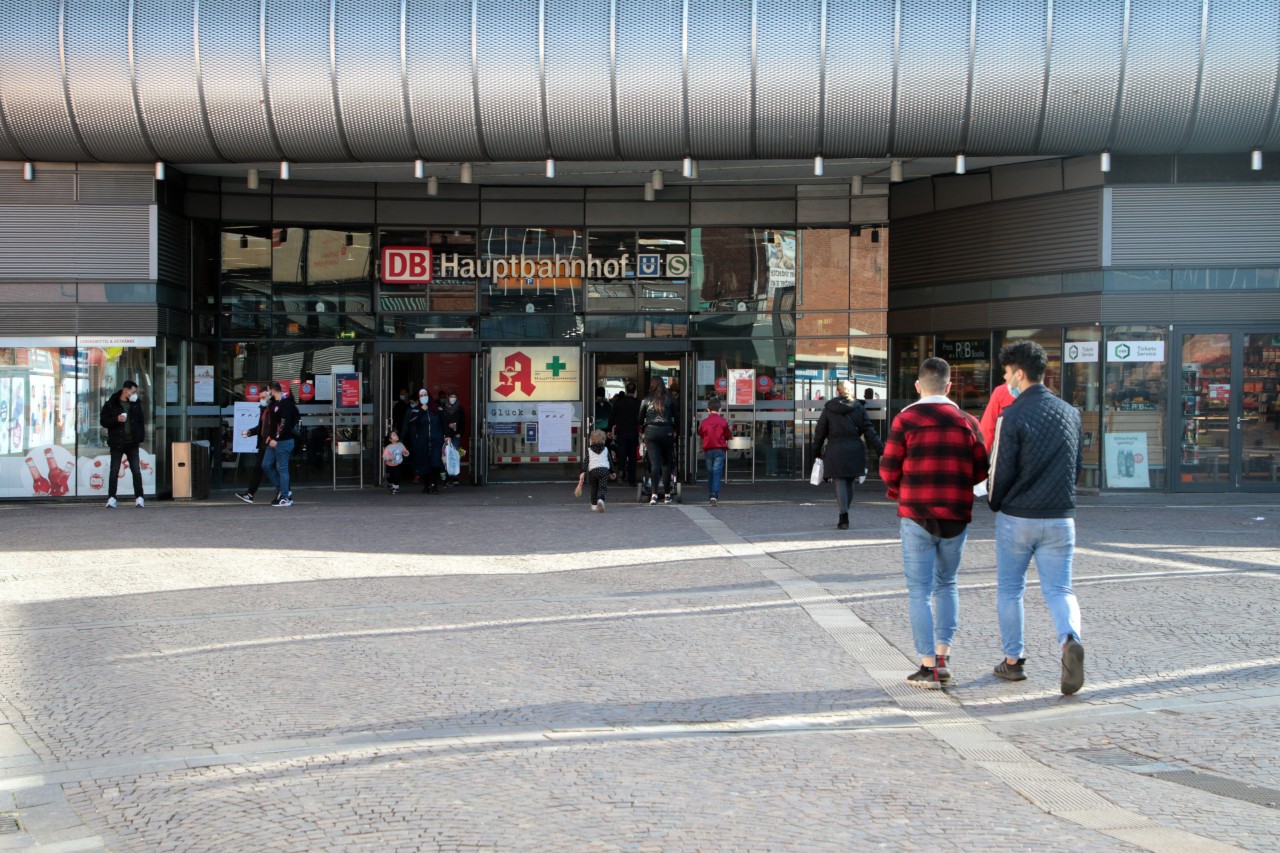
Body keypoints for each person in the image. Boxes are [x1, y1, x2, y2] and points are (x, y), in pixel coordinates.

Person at [879, 358, 989, 688]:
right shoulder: (967, 421)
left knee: (919, 591)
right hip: (956, 513)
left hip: (917, 514)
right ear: (949, 386)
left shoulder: (906, 419)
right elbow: (981, 470)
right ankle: (944, 655)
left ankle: (928, 666)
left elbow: (887, 468)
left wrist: (902, 489)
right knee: (948, 584)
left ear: (918, 386)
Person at [987, 340, 1086, 696]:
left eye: (1007, 373)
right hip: (1061, 517)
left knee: (1011, 589)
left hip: (1018, 517)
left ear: (1020, 373)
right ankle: (1070, 639)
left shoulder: (1011, 415)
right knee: (1061, 589)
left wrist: (995, 502)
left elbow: (1000, 469)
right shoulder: (1070, 413)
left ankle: (1013, 661)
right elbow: (1075, 468)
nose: (1006, 380)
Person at [811, 379, 884, 529]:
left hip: (835, 448)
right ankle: (846, 510)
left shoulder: (829, 408)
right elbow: (870, 431)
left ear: (837, 392)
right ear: (852, 392)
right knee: (850, 480)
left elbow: (820, 432)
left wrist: (816, 451)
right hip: (855, 447)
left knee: (839, 480)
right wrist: (880, 450)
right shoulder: (859, 408)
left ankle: (843, 514)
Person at [100, 379, 145, 508]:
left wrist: (140, 437)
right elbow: (103, 421)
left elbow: (141, 420)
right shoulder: (111, 403)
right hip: (117, 442)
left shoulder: (136, 403)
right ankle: (112, 498)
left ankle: (139, 497)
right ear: (126, 390)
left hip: (132, 443)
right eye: (133, 391)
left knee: (136, 470)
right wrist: (116, 419)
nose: (135, 394)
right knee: (114, 470)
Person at [639, 377, 679, 505]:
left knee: (655, 464)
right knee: (666, 464)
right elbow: (677, 419)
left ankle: (654, 495)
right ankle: (667, 495)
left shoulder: (646, 399)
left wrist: (643, 429)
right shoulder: (670, 400)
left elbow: (639, 419)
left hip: (651, 432)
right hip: (667, 431)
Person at [261, 381, 299, 507]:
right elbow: (273, 423)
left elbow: (284, 423)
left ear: (271, 390)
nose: (267, 394)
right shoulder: (274, 404)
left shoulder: (286, 404)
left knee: (282, 468)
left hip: (283, 441)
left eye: (268, 391)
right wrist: (270, 437)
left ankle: (285, 497)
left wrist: (276, 438)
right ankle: (283, 490)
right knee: (266, 464)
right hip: (274, 440)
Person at [235, 391, 274, 503]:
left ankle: (283, 492)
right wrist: (250, 432)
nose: (260, 399)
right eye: (260, 397)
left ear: (269, 397)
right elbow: (262, 427)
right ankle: (250, 494)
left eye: (263, 397)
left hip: (270, 443)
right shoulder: (264, 409)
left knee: (271, 467)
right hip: (264, 443)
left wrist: (272, 438)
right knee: (259, 468)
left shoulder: (272, 410)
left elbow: (274, 426)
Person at [403, 388, 444, 493]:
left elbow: (444, 422)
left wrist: (447, 434)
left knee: (436, 462)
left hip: (436, 440)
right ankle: (426, 485)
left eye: (425, 394)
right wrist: (422, 410)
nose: (423, 397)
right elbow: (412, 421)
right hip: (422, 441)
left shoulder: (437, 409)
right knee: (424, 464)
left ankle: (434, 484)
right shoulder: (415, 410)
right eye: (421, 396)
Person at [698, 397, 731, 506]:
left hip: (708, 449)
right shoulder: (723, 421)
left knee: (710, 472)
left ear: (708, 409)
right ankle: (714, 495)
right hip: (720, 449)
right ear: (720, 409)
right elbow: (727, 435)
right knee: (717, 473)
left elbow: (701, 433)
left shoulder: (705, 422)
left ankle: (711, 493)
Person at [577, 428, 616, 512]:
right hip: (604, 470)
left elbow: (586, 461)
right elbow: (610, 461)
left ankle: (594, 505)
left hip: (593, 471)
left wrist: (582, 471)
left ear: (592, 440)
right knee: (602, 487)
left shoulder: (589, 450)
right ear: (603, 440)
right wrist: (612, 472)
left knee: (594, 488)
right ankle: (600, 500)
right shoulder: (606, 449)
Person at [611, 382, 641, 486]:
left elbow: (612, 417)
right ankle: (632, 480)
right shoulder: (638, 403)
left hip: (621, 432)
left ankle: (620, 471)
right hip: (633, 432)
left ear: (626, 389)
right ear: (635, 391)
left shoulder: (618, 403)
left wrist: (609, 430)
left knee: (621, 455)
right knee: (632, 457)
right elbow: (641, 418)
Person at [440, 390, 465, 487]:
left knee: (457, 454)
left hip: (456, 436)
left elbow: (463, 423)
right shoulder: (443, 408)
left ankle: (455, 476)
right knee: (445, 456)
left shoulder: (460, 409)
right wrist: (447, 429)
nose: (453, 398)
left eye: (454, 396)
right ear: (448, 397)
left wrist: (460, 433)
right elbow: (441, 422)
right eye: (451, 396)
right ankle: (445, 477)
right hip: (446, 436)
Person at [382, 429, 410, 495]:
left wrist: (406, 452)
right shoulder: (388, 447)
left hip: (398, 464)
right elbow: (384, 456)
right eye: (394, 435)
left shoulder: (401, 445)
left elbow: (405, 452)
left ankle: (395, 488)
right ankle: (391, 484)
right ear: (390, 439)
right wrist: (388, 457)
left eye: (396, 434)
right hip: (389, 465)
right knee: (389, 478)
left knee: (397, 476)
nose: (396, 436)